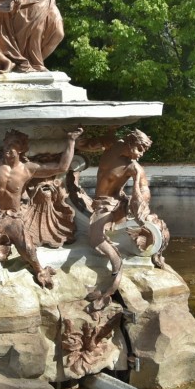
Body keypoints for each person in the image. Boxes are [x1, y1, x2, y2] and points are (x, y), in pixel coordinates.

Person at [0, 127, 82, 288]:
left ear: (21, 149)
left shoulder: (28, 169)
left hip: (9, 216)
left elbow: (61, 168)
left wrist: (71, 141)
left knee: (27, 247)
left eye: (13, 146)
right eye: (6, 145)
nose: (7, 149)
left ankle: (40, 271)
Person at [78, 128, 155, 308]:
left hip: (111, 204)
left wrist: (140, 200)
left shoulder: (134, 167)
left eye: (144, 150)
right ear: (129, 141)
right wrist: (75, 140)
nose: (141, 154)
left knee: (96, 239)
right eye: (139, 148)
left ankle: (114, 275)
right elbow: (88, 145)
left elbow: (145, 190)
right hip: (98, 201)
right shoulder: (111, 143)